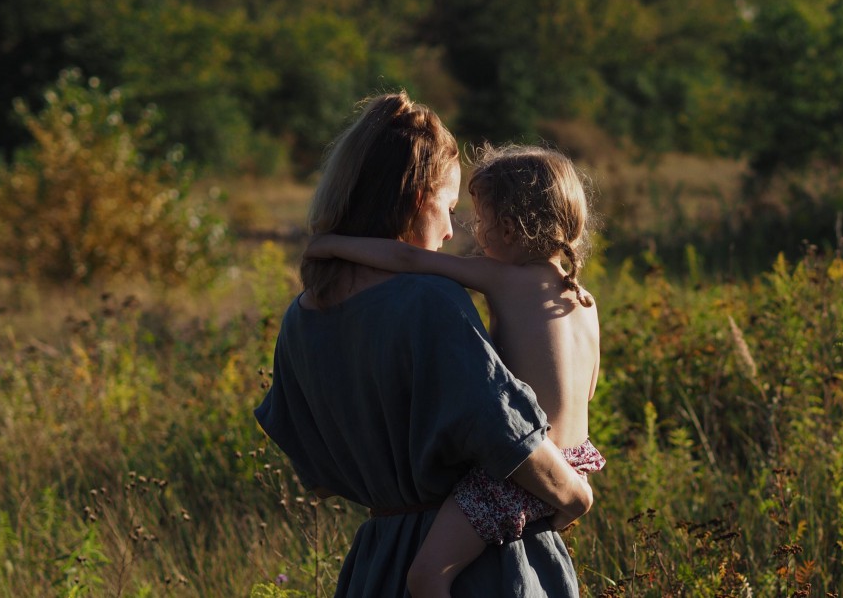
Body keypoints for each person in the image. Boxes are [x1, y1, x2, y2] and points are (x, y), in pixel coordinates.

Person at [254, 92, 592, 597]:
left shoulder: (300, 318)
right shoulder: (429, 300)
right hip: (490, 570)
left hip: (377, 562)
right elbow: (509, 435)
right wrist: (574, 493)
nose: (455, 230)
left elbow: (318, 474)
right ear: (418, 199)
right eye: (450, 207)